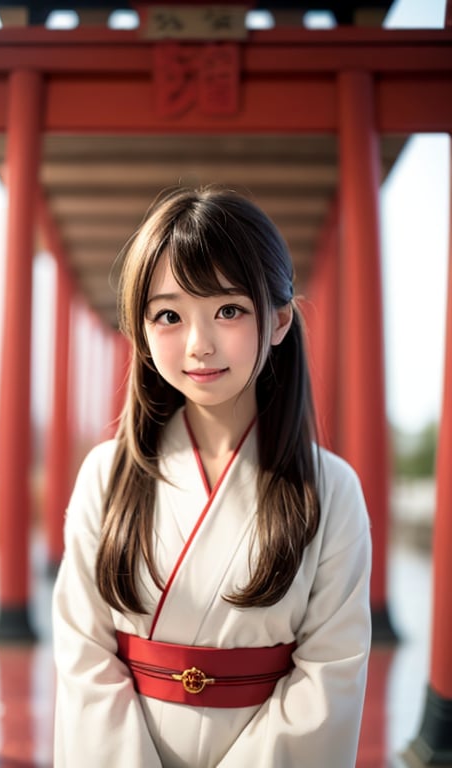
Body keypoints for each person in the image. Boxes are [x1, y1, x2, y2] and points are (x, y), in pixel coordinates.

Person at [52, 186, 372, 768]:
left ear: (277, 321)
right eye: (169, 315)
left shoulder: (333, 490)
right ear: (143, 332)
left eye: (228, 310)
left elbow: (330, 674)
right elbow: (84, 657)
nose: (200, 345)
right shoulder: (105, 474)